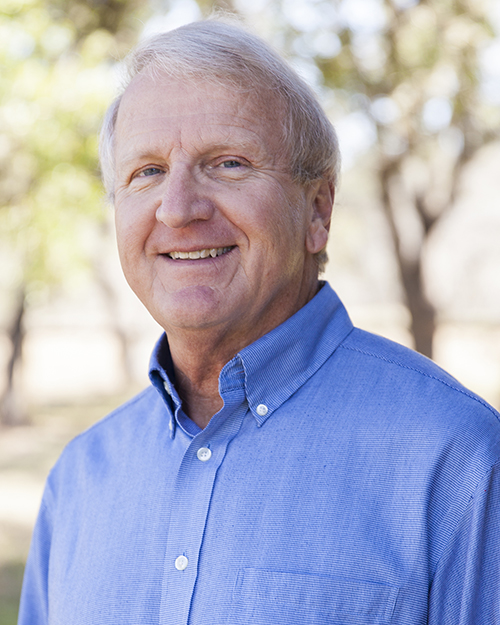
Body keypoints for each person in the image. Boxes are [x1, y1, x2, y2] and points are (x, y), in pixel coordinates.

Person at [19, 18, 500, 625]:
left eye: (228, 164)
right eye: (147, 172)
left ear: (317, 211)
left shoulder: (455, 458)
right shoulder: (80, 480)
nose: (178, 208)